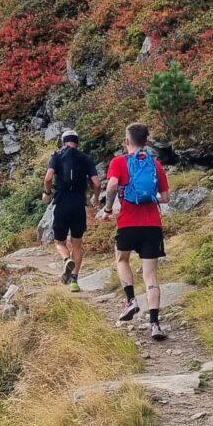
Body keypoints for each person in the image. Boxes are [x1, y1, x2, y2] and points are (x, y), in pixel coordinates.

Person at [98, 122, 170, 340]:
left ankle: (131, 300)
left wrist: (108, 208)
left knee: (121, 260)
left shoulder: (119, 162)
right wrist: (149, 197)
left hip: (128, 223)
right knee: (150, 276)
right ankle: (155, 324)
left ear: (127, 141)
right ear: (146, 142)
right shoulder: (155, 164)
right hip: (152, 225)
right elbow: (165, 198)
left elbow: (111, 186)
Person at [43, 130, 98, 291]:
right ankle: (74, 280)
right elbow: (96, 183)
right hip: (79, 204)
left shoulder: (57, 156)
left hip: (61, 203)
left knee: (59, 242)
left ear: (63, 142)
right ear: (77, 143)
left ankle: (66, 259)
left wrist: (47, 193)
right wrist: (95, 198)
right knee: (77, 244)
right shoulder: (85, 158)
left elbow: (48, 178)